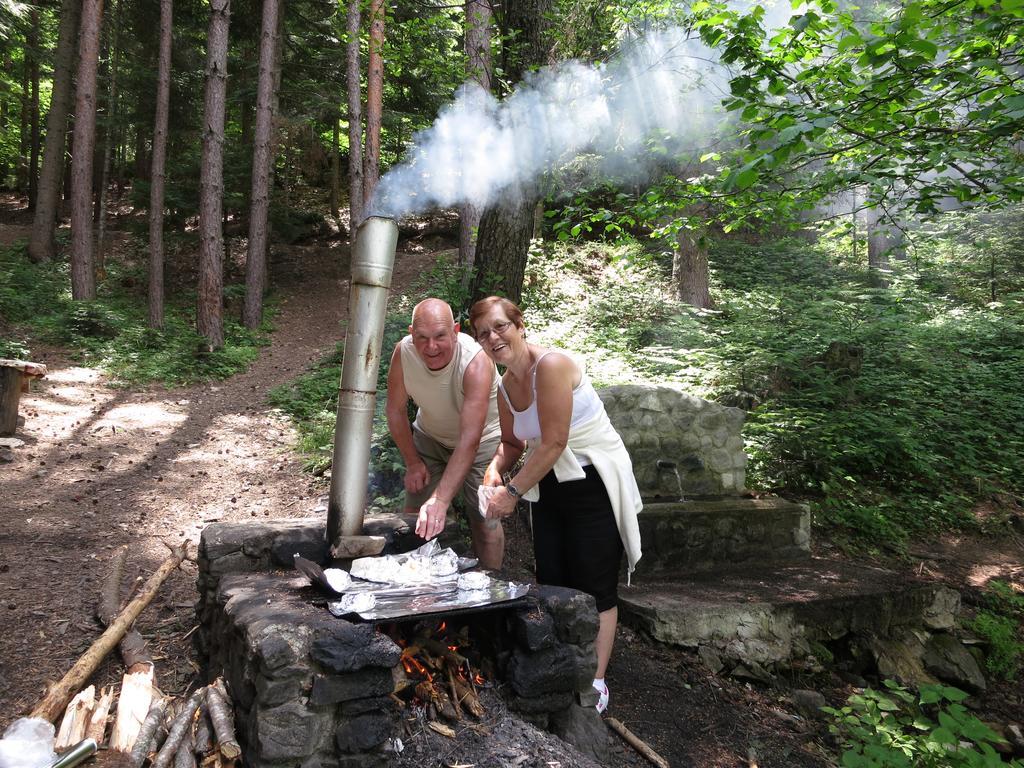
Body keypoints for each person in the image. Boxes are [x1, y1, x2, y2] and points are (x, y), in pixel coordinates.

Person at [469, 296, 642, 714]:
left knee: (595, 581)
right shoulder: (504, 384)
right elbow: (513, 444)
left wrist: (510, 495)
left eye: (499, 327)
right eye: (483, 334)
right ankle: (563, 664)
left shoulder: (551, 365)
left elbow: (555, 440)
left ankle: (595, 682)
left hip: (594, 478)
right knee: (553, 577)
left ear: (519, 324)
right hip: (549, 483)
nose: (493, 338)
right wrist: (493, 473)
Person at [384, 298, 505, 569]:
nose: (431, 347)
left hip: (482, 441)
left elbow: (469, 440)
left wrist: (441, 499)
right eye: (422, 337)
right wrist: (413, 462)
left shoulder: (475, 362)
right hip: (430, 437)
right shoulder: (403, 353)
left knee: (484, 518)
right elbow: (394, 410)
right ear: (411, 333)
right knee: (417, 517)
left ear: (455, 330)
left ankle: (490, 590)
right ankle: (421, 587)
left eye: (440, 336)